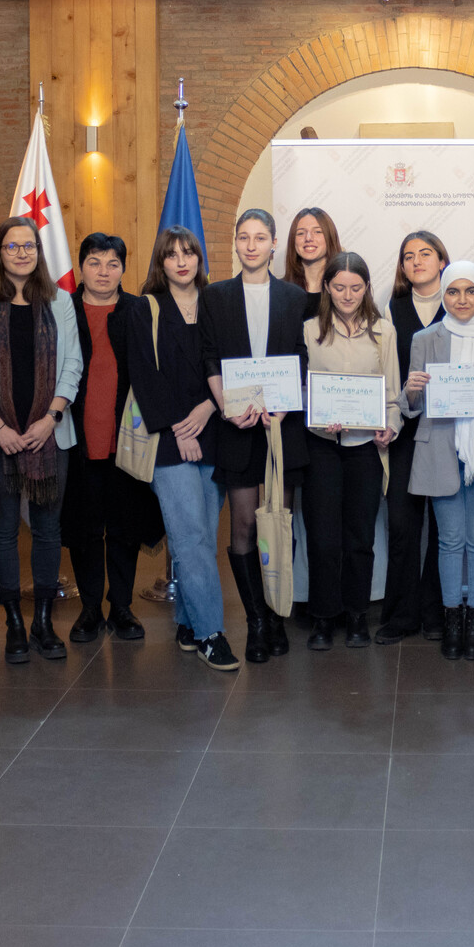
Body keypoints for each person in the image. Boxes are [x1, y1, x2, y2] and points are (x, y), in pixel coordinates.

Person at [0, 216, 83, 664]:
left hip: (50, 434)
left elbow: (72, 366)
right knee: (3, 529)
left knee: (49, 529)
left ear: (38, 251)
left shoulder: (60, 301)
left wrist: (50, 419)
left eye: (29, 246)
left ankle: (43, 622)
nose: (21, 253)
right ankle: (14, 622)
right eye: (12, 246)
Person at [127, 226, 239, 671]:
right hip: (169, 439)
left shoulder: (217, 304)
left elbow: (231, 366)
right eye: (171, 254)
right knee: (189, 537)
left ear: (199, 258)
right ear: (161, 261)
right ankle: (212, 633)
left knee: (202, 537)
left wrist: (210, 409)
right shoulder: (146, 308)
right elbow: (143, 376)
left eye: (188, 253)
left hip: (213, 432)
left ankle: (188, 623)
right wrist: (181, 429)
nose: (181, 261)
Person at [399, 261, 474, 661]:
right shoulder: (424, 339)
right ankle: (452, 618)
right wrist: (411, 389)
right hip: (441, 449)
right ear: (444, 295)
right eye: (453, 291)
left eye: (470, 291)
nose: (462, 299)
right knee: (450, 541)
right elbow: (412, 405)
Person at [200, 208, 307, 663]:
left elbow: (301, 357)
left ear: (273, 243)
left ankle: (278, 614)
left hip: (282, 426)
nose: (251, 245)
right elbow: (209, 356)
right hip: (238, 426)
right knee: (243, 524)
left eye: (260, 237)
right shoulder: (215, 296)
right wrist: (227, 405)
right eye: (243, 237)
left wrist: (288, 402)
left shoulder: (295, 297)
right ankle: (257, 620)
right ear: (235, 242)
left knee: (279, 523)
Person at [62, 232, 160, 645]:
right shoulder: (62, 309)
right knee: (84, 528)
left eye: (113, 264)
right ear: (81, 267)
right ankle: (89, 609)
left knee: (124, 527)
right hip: (76, 438)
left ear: (123, 269)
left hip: (129, 438)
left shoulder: (139, 310)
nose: (103, 272)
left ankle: (121, 606)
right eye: (95, 263)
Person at [304, 252, 401, 649]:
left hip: (365, 449)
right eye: (340, 287)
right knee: (323, 538)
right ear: (327, 287)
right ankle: (324, 618)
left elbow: (392, 395)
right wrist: (317, 416)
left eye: (356, 288)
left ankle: (358, 615)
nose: (348, 295)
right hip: (322, 447)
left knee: (360, 537)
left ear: (367, 288)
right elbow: (302, 390)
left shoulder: (384, 331)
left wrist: (389, 427)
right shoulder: (309, 330)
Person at [377, 230, 448, 644]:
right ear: (402, 267)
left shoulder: (459, 304)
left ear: (442, 260)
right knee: (402, 526)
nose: (417, 261)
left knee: (443, 528)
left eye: (425, 253)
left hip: (448, 433)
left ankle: (435, 611)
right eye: (408, 256)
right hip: (404, 433)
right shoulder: (391, 310)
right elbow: (384, 374)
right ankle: (402, 615)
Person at [285, 206, 342, 320]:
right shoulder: (281, 291)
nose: (308, 238)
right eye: (301, 233)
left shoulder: (345, 290)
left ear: (330, 237)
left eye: (317, 232)